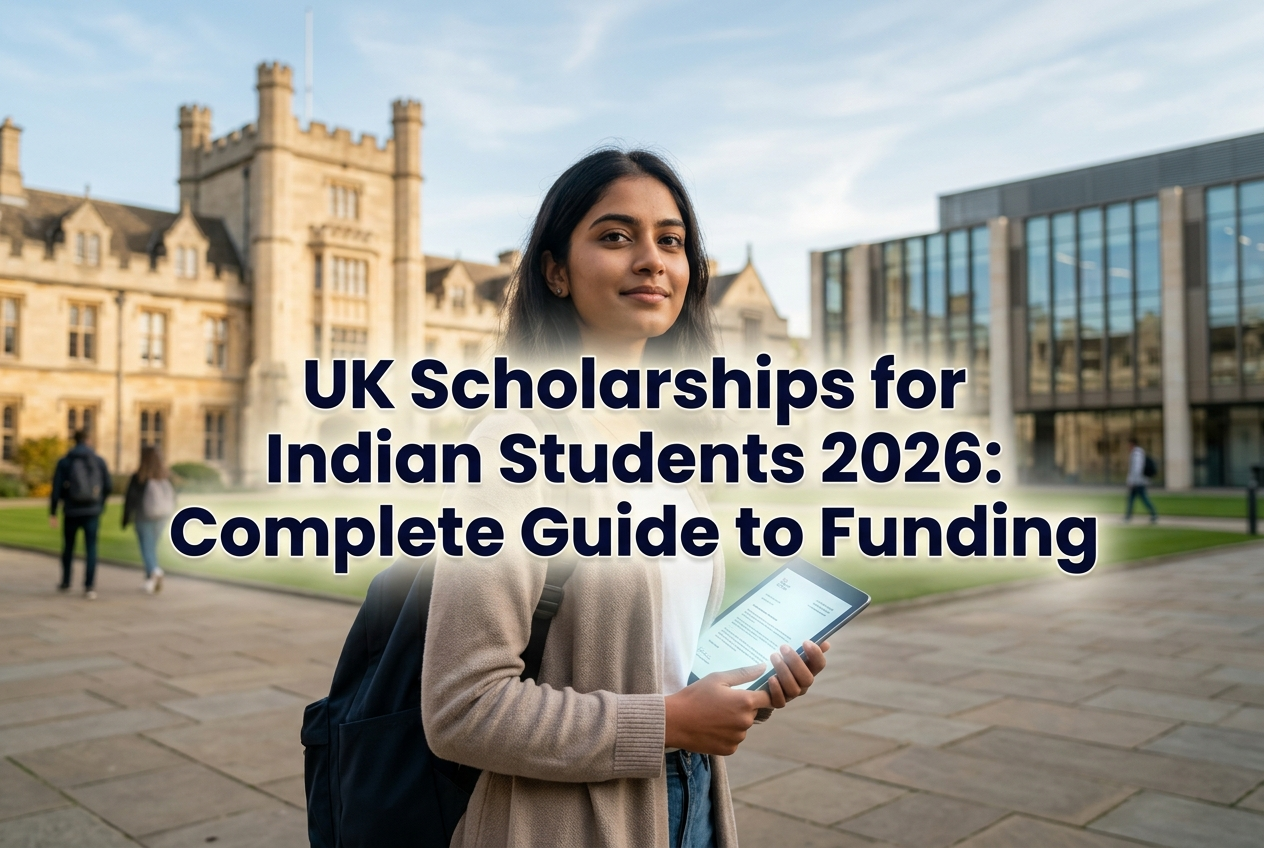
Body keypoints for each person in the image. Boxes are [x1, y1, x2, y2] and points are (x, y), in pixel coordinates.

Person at [422, 149, 828, 848]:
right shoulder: (515, 444)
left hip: (693, 801)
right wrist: (670, 721)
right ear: (554, 270)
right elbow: (462, 708)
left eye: (671, 241)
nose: (652, 260)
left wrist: (739, 691)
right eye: (616, 237)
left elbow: (657, 666)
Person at [49, 429, 111, 599]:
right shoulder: (98, 461)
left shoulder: (65, 461)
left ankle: (66, 582)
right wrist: (101, 503)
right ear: (88, 440)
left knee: (68, 547)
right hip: (92, 510)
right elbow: (108, 486)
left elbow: (56, 489)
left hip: (71, 510)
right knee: (91, 548)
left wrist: (53, 512)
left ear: (74, 441)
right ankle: (89, 586)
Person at [122, 446, 174, 593]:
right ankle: (149, 580)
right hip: (162, 517)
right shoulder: (165, 475)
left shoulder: (139, 476)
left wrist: (126, 517)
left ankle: (154, 571)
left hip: (144, 516)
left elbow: (130, 499)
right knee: (152, 547)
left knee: (146, 548)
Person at [1125, 436, 1158, 523]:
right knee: (1132, 499)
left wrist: (1132, 482)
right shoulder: (1138, 453)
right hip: (1139, 481)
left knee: (1142, 498)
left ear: (1132, 444)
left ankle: (1153, 514)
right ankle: (1128, 516)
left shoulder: (1136, 454)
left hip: (1138, 482)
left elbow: (1136, 469)